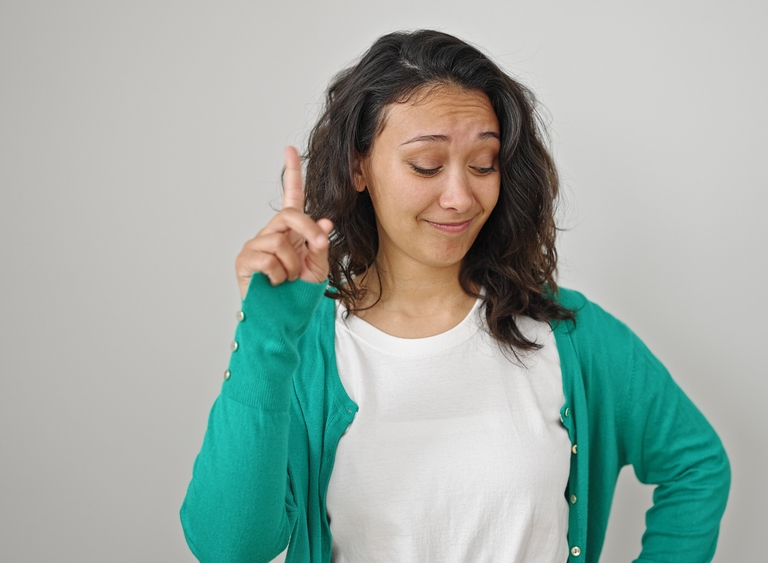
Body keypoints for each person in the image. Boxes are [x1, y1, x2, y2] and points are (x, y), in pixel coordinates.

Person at [180, 30, 730, 563]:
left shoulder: (570, 335)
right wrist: (266, 333)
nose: (460, 196)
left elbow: (696, 465)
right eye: (427, 165)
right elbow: (229, 549)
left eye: (483, 164)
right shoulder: (307, 350)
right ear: (357, 167)